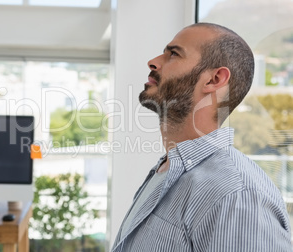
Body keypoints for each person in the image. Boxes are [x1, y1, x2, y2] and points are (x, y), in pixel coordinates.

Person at [111, 23, 292, 251]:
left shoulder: (235, 195)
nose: (153, 61)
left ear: (214, 80)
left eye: (173, 54)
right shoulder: (167, 170)